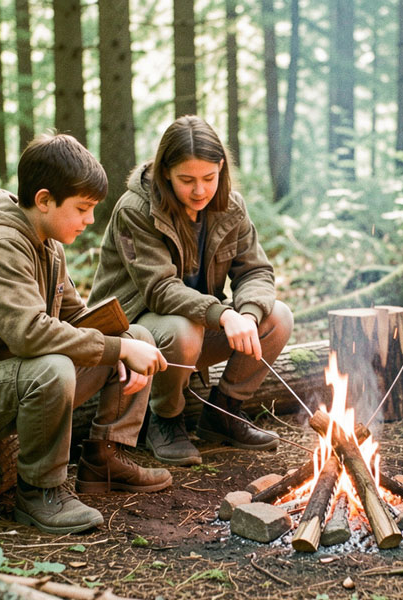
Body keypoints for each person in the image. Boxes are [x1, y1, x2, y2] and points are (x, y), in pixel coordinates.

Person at [0, 134, 172, 535]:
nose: (90, 220)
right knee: (52, 368)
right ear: (44, 200)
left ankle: (105, 457)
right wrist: (117, 349)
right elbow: (29, 336)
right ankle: (39, 493)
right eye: (82, 209)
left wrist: (127, 342)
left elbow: (77, 319)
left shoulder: (47, 245)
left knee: (138, 334)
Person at [89, 115, 293, 466]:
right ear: (165, 171)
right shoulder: (135, 210)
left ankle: (224, 413)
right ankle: (165, 420)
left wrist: (245, 314)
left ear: (222, 169)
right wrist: (224, 314)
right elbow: (160, 290)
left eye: (209, 178)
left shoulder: (231, 207)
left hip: (195, 331)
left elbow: (256, 271)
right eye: (187, 180)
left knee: (276, 317)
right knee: (184, 329)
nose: (200, 190)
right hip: (136, 335)